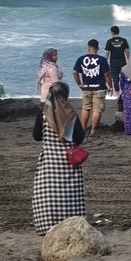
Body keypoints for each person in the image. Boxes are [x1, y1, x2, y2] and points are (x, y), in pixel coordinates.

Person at [32, 81, 86, 234]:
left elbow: (37, 136)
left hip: (49, 162)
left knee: (48, 195)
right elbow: (80, 138)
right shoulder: (71, 115)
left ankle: (48, 226)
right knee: (70, 195)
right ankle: (72, 224)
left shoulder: (42, 115)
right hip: (69, 163)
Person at [73, 40, 111, 137]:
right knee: (97, 110)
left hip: (86, 88)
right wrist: (110, 86)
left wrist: (79, 84)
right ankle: (93, 130)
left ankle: (82, 129)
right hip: (99, 88)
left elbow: (75, 72)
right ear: (97, 48)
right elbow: (106, 74)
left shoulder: (81, 59)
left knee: (86, 108)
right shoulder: (102, 60)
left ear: (88, 47)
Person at [104, 26, 130, 94]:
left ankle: (118, 96)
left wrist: (104, 62)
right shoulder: (124, 40)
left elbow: (107, 53)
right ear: (118, 31)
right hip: (122, 62)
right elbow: (127, 52)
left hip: (113, 63)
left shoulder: (109, 41)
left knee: (115, 79)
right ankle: (124, 94)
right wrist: (129, 61)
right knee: (124, 78)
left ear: (112, 32)